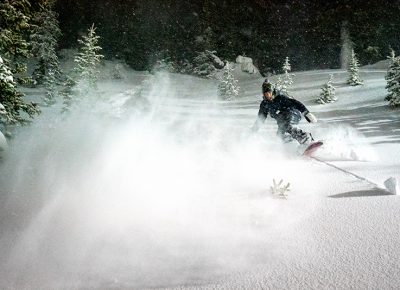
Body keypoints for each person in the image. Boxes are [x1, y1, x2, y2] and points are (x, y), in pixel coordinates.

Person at [252, 79, 317, 145]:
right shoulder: (264, 104)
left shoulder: (280, 98)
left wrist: (306, 113)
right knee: (280, 136)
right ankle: (293, 146)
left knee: (288, 126)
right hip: (281, 121)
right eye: (265, 94)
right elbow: (260, 119)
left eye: (269, 92)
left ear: (272, 91)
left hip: (292, 114)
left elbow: (295, 103)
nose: (268, 95)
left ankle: (306, 139)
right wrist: (253, 130)